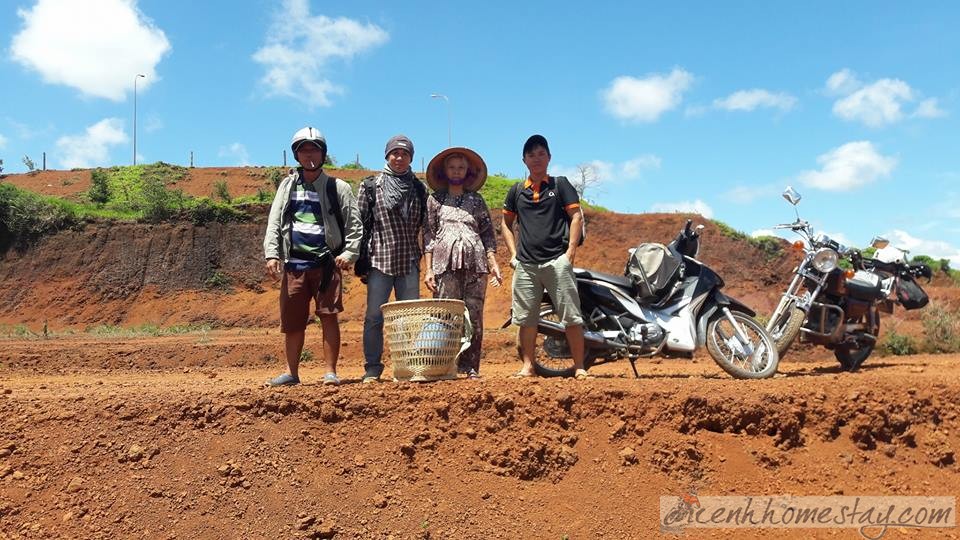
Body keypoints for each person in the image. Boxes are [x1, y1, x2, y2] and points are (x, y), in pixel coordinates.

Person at [263, 127, 362, 387]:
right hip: (294, 264)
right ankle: (291, 373)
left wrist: (349, 253)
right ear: (296, 154)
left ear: (323, 154)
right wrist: (272, 253)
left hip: (326, 264)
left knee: (328, 315)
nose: (310, 154)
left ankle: (330, 372)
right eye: (304, 149)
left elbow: (354, 223)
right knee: (293, 321)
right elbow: (275, 220)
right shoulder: (286, 185)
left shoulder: (336, 186)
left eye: (314, 148)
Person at [501, 134, 589, 379]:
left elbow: (576, 217)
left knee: (570, 315)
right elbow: (505, 223)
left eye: (541, 154)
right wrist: (513, 254)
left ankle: (580, 367)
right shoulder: (517, 191)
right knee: (526, 318)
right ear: (524, 160)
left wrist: (570, 251)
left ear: (549, 157)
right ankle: (528, 367)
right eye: (531, 155)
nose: (536, 158)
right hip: (526, 265)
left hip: (556, 261)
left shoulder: (560, 185)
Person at [423, 147, 503, 379]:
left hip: (475, 265)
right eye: (452, 167)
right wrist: (428, 269)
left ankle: (470, 367)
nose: (456, 171)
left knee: (473, 317)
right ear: (444, 171)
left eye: (461, 167)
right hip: (444, 265)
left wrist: (493, 262)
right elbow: (428, 235)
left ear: (467, 172)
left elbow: (488, 234)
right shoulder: (434, 200)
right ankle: (443, 366)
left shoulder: (476, 200)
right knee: (445, 315)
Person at [357, 135, 427, 383]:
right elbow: (361, 225)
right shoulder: (371, 186)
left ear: (411, 157)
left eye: (405, 154)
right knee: (374, 317)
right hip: (380, 261)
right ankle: (373, 368)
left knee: (410, 317)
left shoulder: (419, 188)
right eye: (395, 153)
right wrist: (360, 261)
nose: (399, 158)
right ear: (387, 156)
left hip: (408, 260)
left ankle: (407, 366)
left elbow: (424, 226)